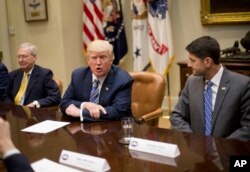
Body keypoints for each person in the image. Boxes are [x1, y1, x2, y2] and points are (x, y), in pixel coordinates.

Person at [170, 36, 250, 141]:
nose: (188, 64)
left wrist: (220, 146)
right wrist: (193, 139)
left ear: (207, 62)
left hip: (226, 152)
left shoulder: (242, 85)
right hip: (195, 151)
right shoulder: (191, 81)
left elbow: (247, 127)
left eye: (192, 60)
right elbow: (177, 116)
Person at [60, 40, 133, 121]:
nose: (98, 62)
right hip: (85, 129)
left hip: (116, 128)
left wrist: (80, 113)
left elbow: (117, 111)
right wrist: (84, 105)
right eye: (94, 58)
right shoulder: (78, 75)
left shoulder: (122, 79)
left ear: (111, 60)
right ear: (88, 60)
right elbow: (64, 102)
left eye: (102, 57)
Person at [7, 43, 61, 108]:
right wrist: (12, 108)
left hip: (34, 115)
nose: (20, 60)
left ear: (34, 58)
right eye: (19, 56)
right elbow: (6, 96)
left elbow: (55, 97)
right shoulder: (13, 75)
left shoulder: (44, 74)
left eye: (24, 56)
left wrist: (35, 103)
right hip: (14, 114)